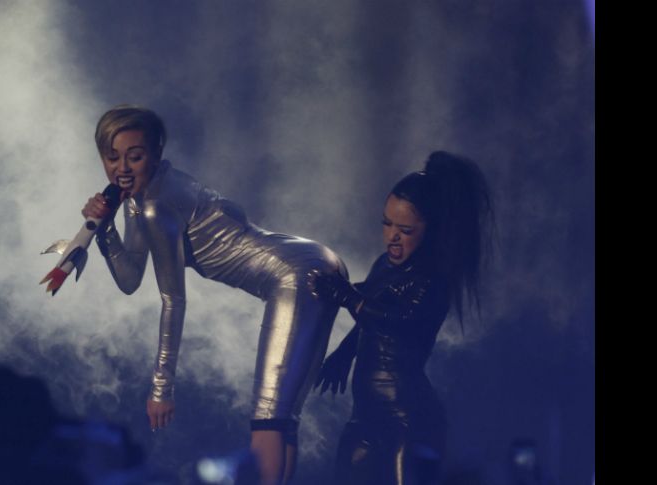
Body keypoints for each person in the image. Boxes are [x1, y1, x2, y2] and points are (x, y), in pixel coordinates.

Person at [81, 105, 346, 484]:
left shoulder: (155, 206)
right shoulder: (143, 199)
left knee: (269, 418)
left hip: (298, 275)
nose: (122, 167)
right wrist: (105, 229)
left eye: (134, 157)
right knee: (281, 419)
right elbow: (130, 279)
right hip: (311, 263)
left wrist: (161, 388)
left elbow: (173, 300)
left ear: (155, 154)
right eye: (112, 157)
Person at [309, 151, 494, 485]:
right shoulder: (384, 264)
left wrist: (347, 295)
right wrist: (343, 355)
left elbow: (399, 321)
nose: (392, 236)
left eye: (405, 229)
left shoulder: (433, 276)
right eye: (387, 223)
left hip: (408, 420)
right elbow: (370, 319)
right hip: (364, 417)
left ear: (430, 230)